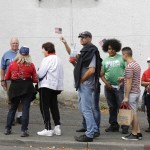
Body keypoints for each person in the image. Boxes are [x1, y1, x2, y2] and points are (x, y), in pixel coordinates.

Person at [61, 31, 101, 142]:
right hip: (82, 85)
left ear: (90, 38)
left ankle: (89, 134)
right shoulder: (85, 52)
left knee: (87, 109)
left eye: (84, 37)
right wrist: (65, 44)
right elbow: (73, 55)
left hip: (86, 85)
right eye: (81, 38)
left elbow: (92, 70)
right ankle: (94, 129)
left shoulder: (92, 51)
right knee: (82, 108)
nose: (81, 39)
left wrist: (82, 80)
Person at [4, 46, 38, 137]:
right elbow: (35, 79)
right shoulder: (31, 65)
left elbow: (7, 77)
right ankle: (24, 131)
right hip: (27, 88)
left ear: (19, 54)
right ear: (28, 55)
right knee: (25, 109)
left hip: (15, 87)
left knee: (12, 108)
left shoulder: (12, 64)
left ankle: (8, 129)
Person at [100, 39, 129, 134]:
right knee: (112, 107)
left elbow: (128, 71)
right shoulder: (105, 61)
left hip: (120, 87)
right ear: (106, 49)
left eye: (113, 49)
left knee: (122, 106)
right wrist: (106, 83)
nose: (111, 50)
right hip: (109, 88)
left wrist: (123, 79)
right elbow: (101, 74)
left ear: (116, 48)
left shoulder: (121, 58)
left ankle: (125, 126)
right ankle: (114, 125)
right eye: (109, 49)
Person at [37, 42, 64, 137]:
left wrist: (36, 73)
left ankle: (48, 128)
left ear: (47, 50)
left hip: (46, 85)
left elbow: (40, 74)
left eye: (43, 49)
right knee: (54, 106)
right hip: (56, 86)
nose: (42, 51)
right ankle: (57, 127)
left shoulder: (47, 59)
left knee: (44, 107)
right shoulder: (59, 59)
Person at [121, 47, 142, 140]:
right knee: (135, 112)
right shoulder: (136, 64)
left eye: (122, 54)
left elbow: (129, 83)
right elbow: (133, 78)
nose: (122, 56)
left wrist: (126, 96)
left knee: (133, 114)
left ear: (125, 55)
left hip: (131, 93)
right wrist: (124, 78)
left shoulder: (129, 66)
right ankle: (138, 133)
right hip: (136, 91)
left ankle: (134, 134)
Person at [1, 37, 23, 124]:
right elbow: (2, 68)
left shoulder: (22, 54)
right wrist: (2, 80)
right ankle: (12, 118)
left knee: (20, 100)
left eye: (16, 43)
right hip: (9, 81)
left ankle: (19, 116)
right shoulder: (6, 55)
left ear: (18, 44)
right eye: (13, 43)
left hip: (20, 81)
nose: (15, 45)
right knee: (11, 100)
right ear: (10, 44)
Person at [141, 57, 150, 132]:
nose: (149, 63)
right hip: (148, 94)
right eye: (148, 62)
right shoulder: (146, 72)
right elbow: (142, 83)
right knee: (149, 111)